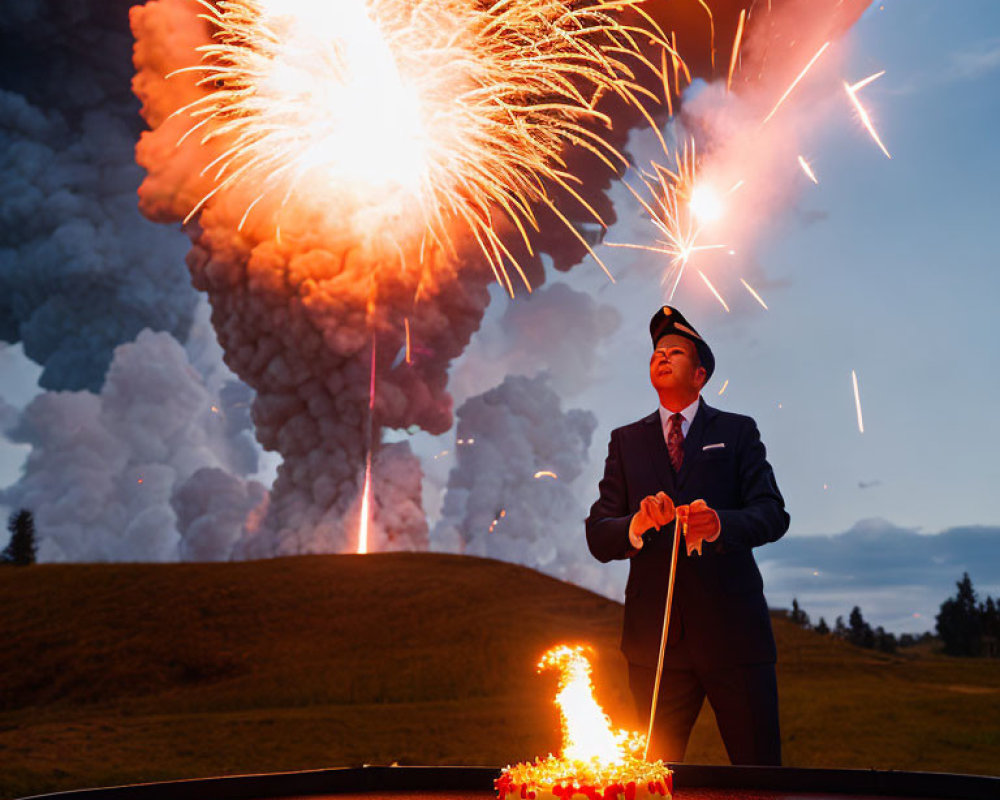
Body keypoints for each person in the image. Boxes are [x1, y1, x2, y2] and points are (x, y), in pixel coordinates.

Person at [585, 305, 789, 766]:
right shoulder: (625, 441)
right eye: (657, 351)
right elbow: (599, 534)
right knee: (652, 779)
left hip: (734, 638)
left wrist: (720, 524)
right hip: (655, 647)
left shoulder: (737, 432)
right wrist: (635, 524)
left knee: (759, 774)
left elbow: (773, 513)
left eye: (675, 351)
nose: (662, 356)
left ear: (700, 375)